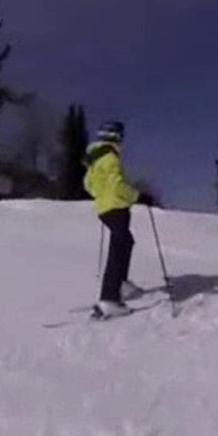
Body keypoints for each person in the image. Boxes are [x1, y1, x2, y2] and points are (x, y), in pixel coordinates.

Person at [82, 120, 154, 317]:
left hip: (105, 209)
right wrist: (138, 196)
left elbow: (88, 184)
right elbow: (117, 185)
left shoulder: (96, 159)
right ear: (116, 136)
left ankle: (121, 284)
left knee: (125, 241)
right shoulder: (110, 158)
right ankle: (109, 298)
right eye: (121, 136)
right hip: (116, 208)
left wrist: (102, 195)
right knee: (118, 247)